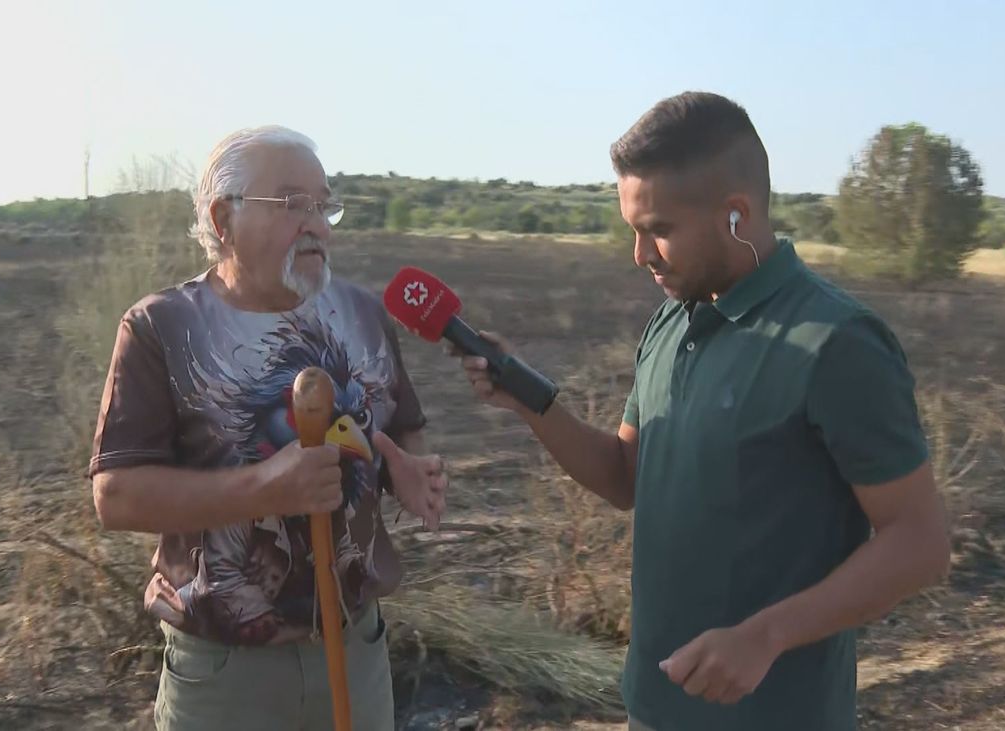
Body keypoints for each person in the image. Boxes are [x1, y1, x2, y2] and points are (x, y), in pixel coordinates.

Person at [452, 92, 951, 730]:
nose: (641, 255)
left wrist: (763, 636)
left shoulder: (836, 342)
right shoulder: (671, 320)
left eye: (658, 230)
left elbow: (920, 542)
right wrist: (529, 401)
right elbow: (626, 476)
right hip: (654, 711)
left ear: (736, 215)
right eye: (633, 230)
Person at [87, 125, 448, 730]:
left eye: (323, 204)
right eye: (291, 205)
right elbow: (116, 496)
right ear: (222, 219)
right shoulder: (162, 329)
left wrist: (403, 471)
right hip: (228, 674)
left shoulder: (361, 314)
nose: (317, 224)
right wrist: (265, 489)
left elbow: (397, 430)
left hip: (356, 650)